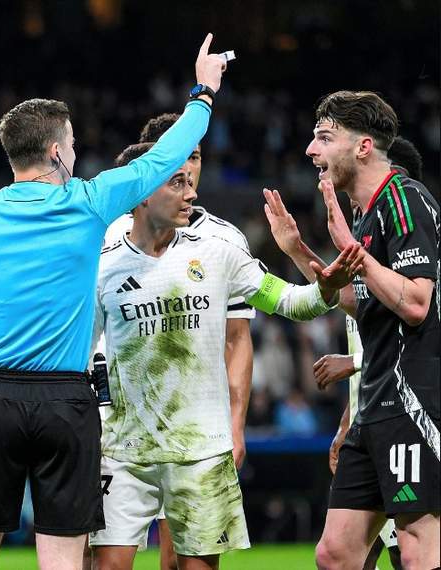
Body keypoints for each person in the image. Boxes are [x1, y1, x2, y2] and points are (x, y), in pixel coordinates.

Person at [0, 34, 229, 570]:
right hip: (65, 401)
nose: (78, 153)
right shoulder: (87, 201)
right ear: (57, 152)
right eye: (74, 144)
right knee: (63, 561)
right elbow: (166, 156)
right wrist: (203, 92)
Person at [89, 141, 359, 570]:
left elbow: (291, 302)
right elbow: (85, 358)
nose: (192, 192)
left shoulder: (217, 252)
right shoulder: (101, 266)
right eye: (177, 183)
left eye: (189, 181)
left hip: (202, 450)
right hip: (123, 450)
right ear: (140, 192)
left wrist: (325, 287)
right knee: (107, 566)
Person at [266, 91, 439, 569]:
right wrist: (298, 250)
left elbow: (417, 303)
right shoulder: (366, 215)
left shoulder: (405, 198)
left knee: (417, 547)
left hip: (414, 402)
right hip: (374, 401)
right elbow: (359, 302)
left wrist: (356, 254)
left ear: (363, 147)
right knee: (336, 553)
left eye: (324, 138)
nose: (310, 150)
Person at [101, 112, 255, 570]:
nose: (190, 167)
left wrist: (236, 423)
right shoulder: (110, 234)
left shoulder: (223, 240)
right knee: (106, 559)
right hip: (122, 430)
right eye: (178, 157)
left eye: (196, 155)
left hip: (192, 431)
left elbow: (237, 339)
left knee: (177, 558)